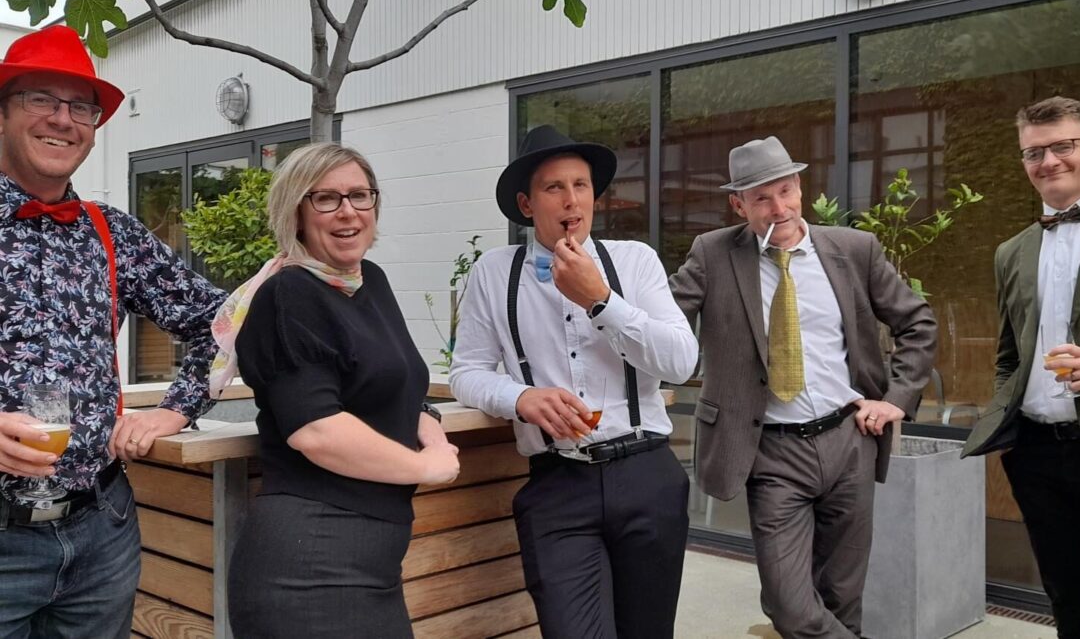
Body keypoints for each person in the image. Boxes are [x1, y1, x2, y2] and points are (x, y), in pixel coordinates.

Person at [0, 26, 226, 637]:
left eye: (81, 107)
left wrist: (177, 410)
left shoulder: (113, 232)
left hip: (102, 532)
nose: (62, 119)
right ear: (2, 113)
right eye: (40, 99)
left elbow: (224, 325)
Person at [669, 136, 936, 638]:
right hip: (771, 452)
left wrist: (896, 400)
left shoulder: (854, 249)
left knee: (841, 600)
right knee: (790, 607)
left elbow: (917, 323)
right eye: (761, 199)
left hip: (849, 441)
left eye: (786, 191)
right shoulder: (713, 254)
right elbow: (663, 326)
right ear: (739, 205)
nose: (779, 209)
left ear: (799, 187)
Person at [450, 125, 698, 638]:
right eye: (554, 187)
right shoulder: (493, 272)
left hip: (646, 473)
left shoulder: (634, 261)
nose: (572, 200)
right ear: (526, 204)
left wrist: (600, 301)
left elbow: (681, 362)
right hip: (557, 484)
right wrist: (519, 397)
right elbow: (466, 372)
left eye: (581, 185)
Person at [223, 143, 460, 638]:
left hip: (372, 560)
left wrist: (433, 431)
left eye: (359, 195)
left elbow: (395, 384)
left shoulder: (369, 281)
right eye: (326, 198)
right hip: (311, 563)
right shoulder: (289, 294)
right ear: (296, 213)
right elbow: (315, 431)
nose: (348, 211)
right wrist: (425, 467)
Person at [963, 96, 1080, 638]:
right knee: (1064, 590)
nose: (1048, 161)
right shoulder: (1011, 252)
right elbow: (1008, 355)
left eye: (1063, 146)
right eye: (1034, 152)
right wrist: (1007, 428)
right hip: (1035, 452)